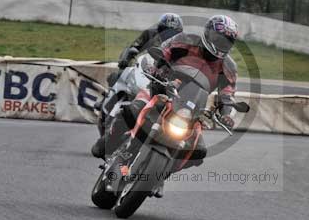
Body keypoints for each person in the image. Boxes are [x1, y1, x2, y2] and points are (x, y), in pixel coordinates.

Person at [92, 14, 240, 197]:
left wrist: (226, 113)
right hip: (162, 88)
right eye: (218, 39)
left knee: (198, 151)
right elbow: (162, 51)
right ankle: (108, 143)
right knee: (134, 108)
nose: (221, 45)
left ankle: (161, 173)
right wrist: (156, 67)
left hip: (191, 107)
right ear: (208, 33)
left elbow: (228, 94)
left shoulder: (228, 66)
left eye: (226, 42)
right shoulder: (186, 40)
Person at [117, 13, 184, 70]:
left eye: (172, 32)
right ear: (160, 28)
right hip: (144, 66)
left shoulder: (181, 42)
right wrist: (125, 58)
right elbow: (133, 47)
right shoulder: (149, 33)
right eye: (165, 30)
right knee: (119, 75)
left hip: (167, 72)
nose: (167, 34)